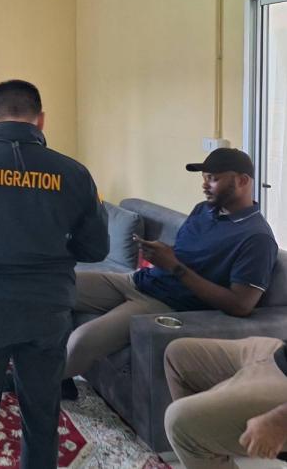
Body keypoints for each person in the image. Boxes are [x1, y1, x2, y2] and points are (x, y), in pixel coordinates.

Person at [0, 79, 109, 469]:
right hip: (47, 309)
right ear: (40, 120)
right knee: (42, 418)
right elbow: (96, 249)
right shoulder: (74, 173)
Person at [64, 148, 279, 398]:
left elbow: (241, 305)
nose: (205, 185)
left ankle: (41, 391)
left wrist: (174, 266)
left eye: (213, 178)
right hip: (140, 281)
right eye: (204, 178)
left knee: (81, 340)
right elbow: (187, 254)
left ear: (242, 181)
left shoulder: (257, 238)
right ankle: (47, 372)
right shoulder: (203, 210)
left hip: (165, 304)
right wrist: (161, 253)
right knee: (54, 286)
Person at [163, 336, 287, 468]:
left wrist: (280, 422)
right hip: (280, 353)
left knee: (179, 423)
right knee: (178, 355)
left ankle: (197, 443)